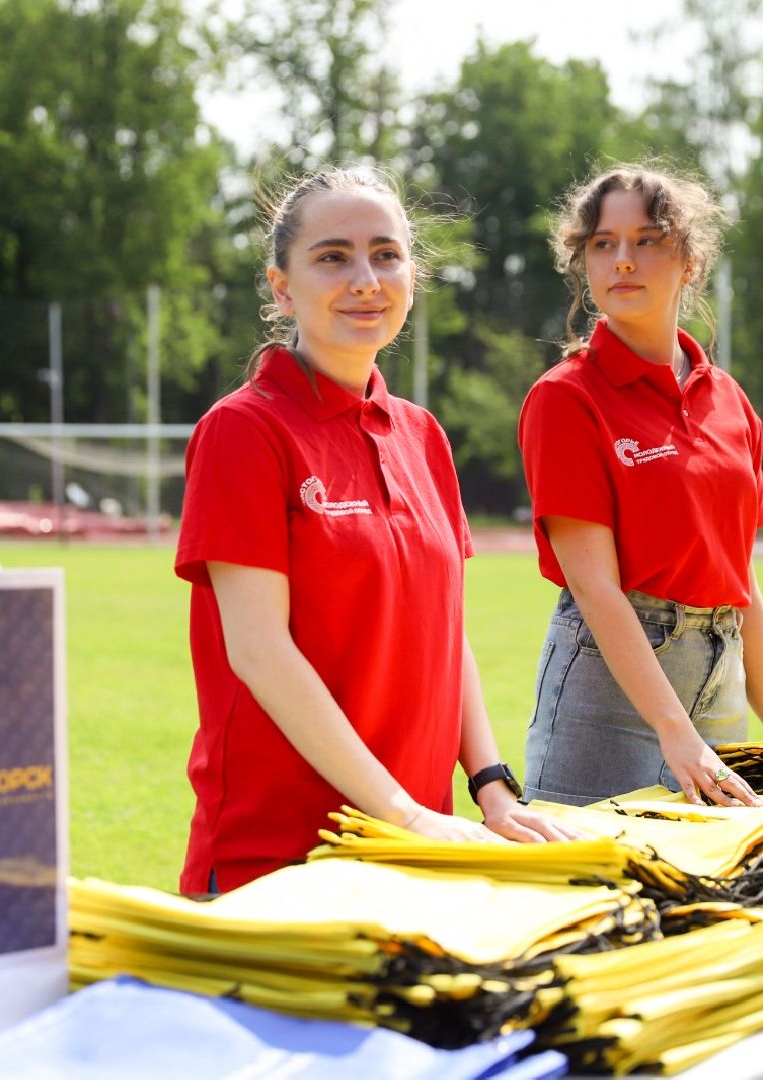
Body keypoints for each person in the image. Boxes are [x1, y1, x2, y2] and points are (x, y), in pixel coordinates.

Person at [174, 166, 574, 894]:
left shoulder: (422, 436)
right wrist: (400, 812)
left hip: (419, 850)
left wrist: (489, 785)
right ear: (280, 285)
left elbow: (445, 633)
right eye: (332, 257)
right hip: (282, 859)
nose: (365, 278)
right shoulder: (242, 431)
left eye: (385, 254)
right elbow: (260, 651)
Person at [517, 163, 763, 811]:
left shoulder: (729, 400)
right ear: (583, 262)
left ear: (691, 261)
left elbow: (741, 577)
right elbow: (593, 586)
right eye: (602, 243)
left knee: (718, 888)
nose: (622, 260)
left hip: (720, 677)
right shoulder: (565, 399)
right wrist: (673, 729)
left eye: (646, 240)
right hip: (607, 687)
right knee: (595, 890)